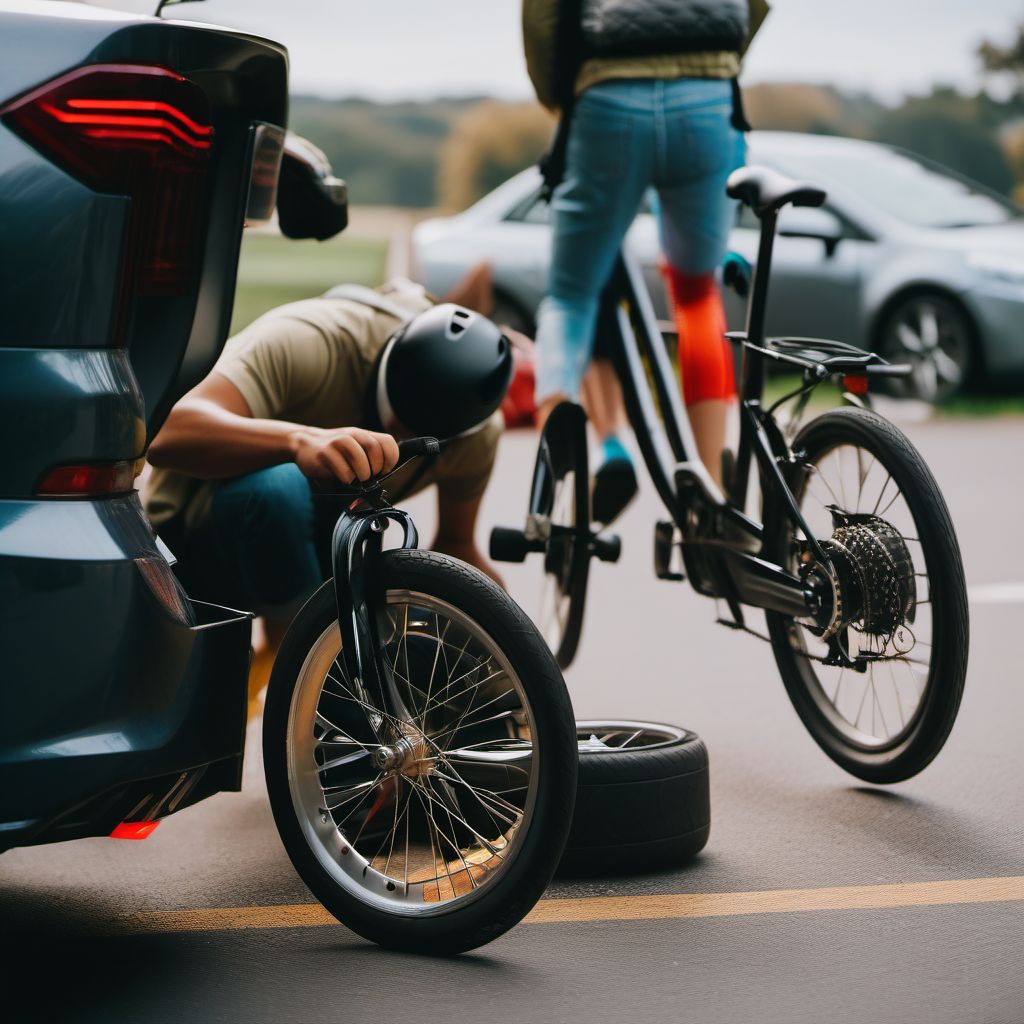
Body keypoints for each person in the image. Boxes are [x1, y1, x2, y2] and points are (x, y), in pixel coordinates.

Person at [145, 276, 512, 707]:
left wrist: (507, 639)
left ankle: (328, 684)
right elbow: (167, 435)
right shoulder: (310, 342)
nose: (395, 436)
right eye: (395, 417)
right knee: (280, 488)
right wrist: (299, 441)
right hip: (199, 534)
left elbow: (456, 544)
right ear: (386, 365)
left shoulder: (476, 435)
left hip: (325, 537)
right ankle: (305, 659)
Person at [523, 0, 770, 515]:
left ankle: (563, 436)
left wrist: (563, 92)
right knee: (698, 293)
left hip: (608, 96)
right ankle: (712, 492)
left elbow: (543, 15)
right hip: (706, 98)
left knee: (571, 296)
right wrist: (718, 63)